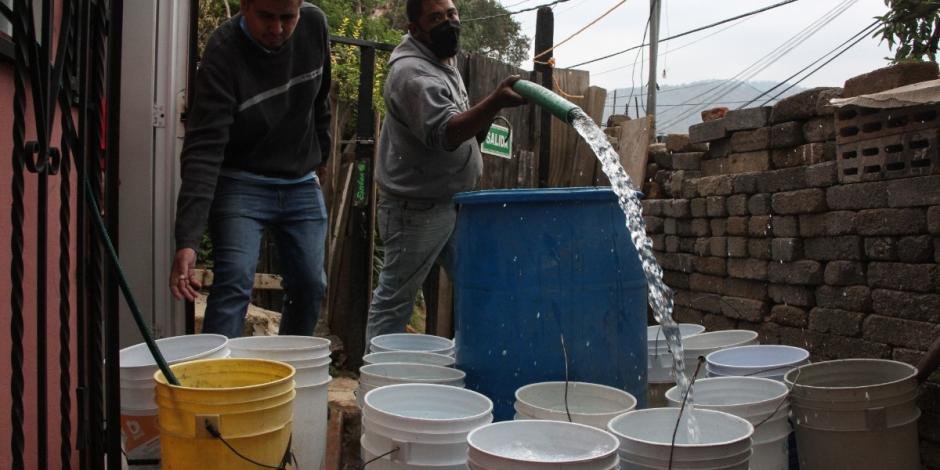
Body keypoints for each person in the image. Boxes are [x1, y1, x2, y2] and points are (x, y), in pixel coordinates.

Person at [364, 0, 526, 348]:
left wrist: (480, 127)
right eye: (435, 18)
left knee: (478, 284)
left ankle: (477, 370)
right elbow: (447, 132)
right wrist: (494, 102)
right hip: (415, 210)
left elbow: (458, 125)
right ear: (415, 29)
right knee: (395, 303)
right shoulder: (413, 75)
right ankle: (374, 385)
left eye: (451, 13)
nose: (448, 22)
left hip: (451, 203)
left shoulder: (441, 60)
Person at [169, 0, 331, 338]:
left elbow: (321, 100)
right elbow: (203, 149)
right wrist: (187, 241)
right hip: (240, 182)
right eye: (266, 17)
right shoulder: (223, 52)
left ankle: (291, 372)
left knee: (310, 284)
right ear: (244, 6)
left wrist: (322, 156)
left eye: (288, 18)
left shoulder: (315, 26)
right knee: (234, 282)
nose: (277, 29)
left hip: (300, 182)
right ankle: (217, 383)